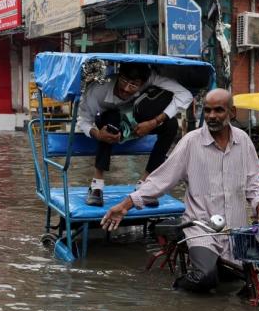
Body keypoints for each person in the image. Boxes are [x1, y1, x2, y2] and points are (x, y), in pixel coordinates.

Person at [101, 89, 259, 293]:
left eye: (218, 110)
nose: (211, 116)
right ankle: (177, 291)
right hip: (201, 227)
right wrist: (126, 204)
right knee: (205, 278)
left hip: (235, 229)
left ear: (232, 112)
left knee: (245, 285)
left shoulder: (243, 141)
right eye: (207, 111)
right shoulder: (191, 142)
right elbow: (161, 180)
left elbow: (253, 182)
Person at [77, 62, 192, 207]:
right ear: (118, 76)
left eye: (133, 85)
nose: (126, 88)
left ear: (143, 82)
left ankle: (145, 184)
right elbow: (83, 120)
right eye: (124, 81)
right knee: (111, 120)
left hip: (138, 120)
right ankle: (96, 185)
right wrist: (98, 134)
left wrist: (154, 122)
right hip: (111, 123)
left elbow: (185, 95)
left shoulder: (151, 79)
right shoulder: (97, 90)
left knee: (171, 124)